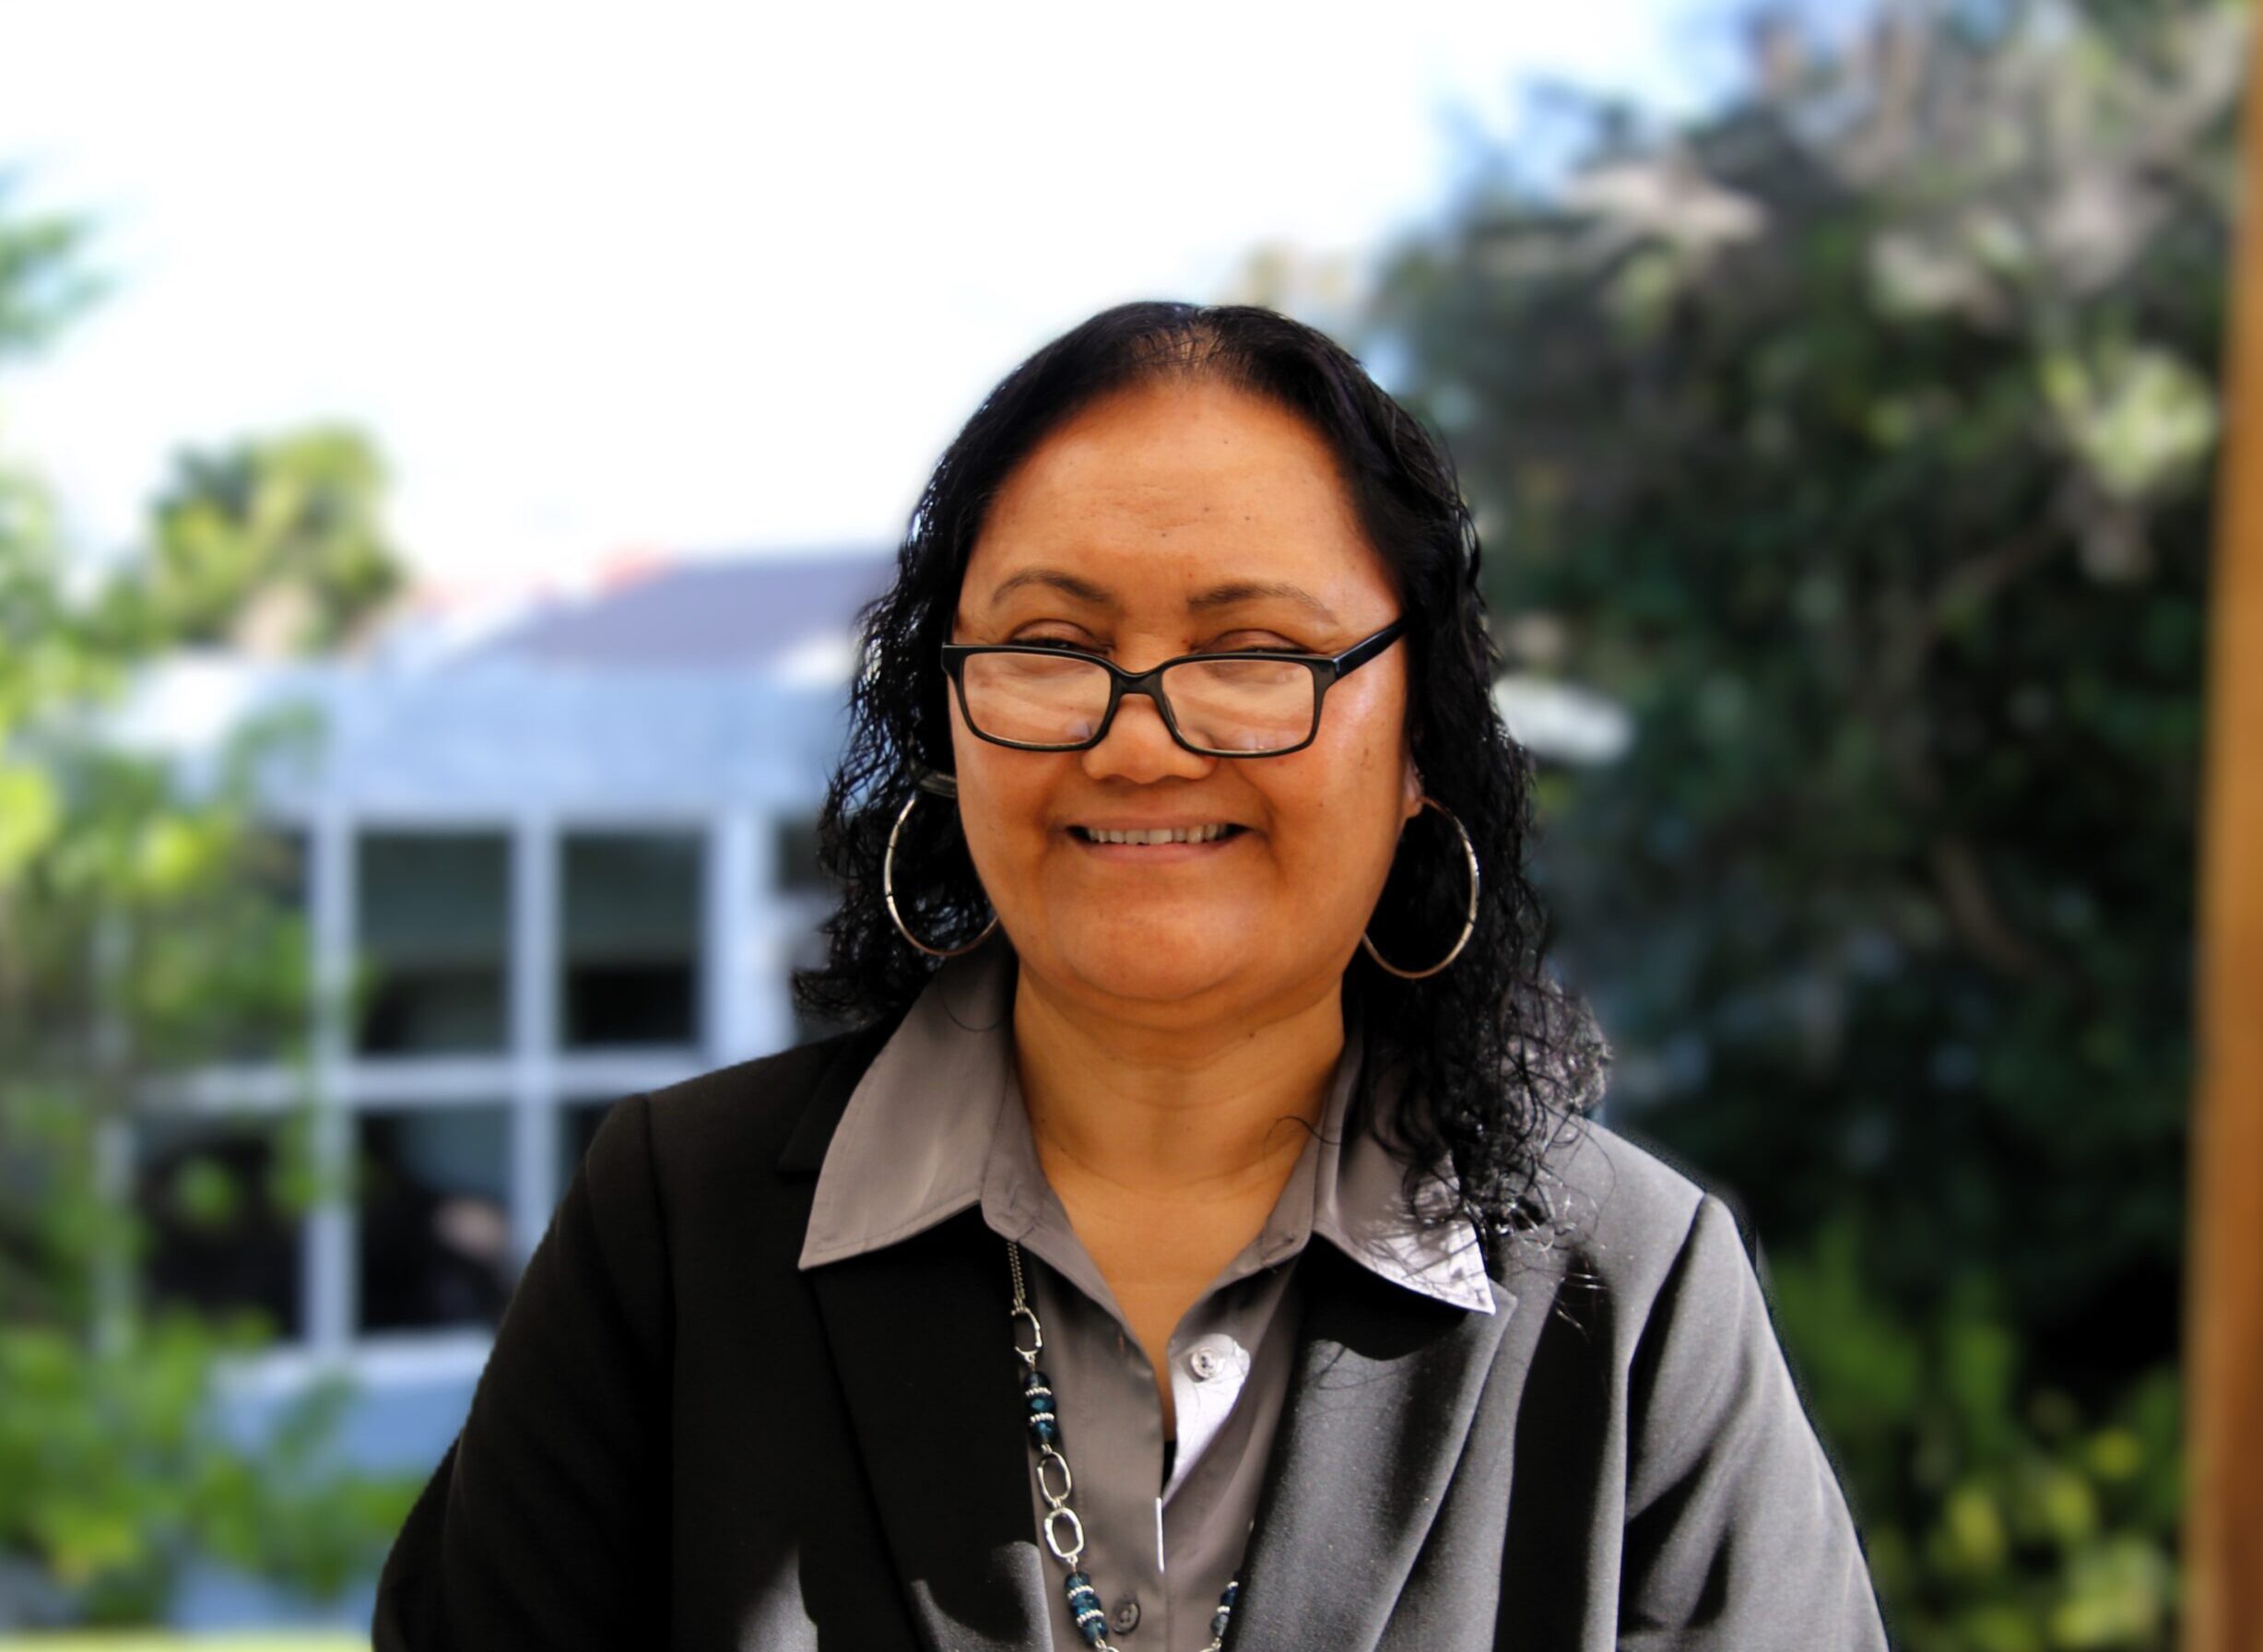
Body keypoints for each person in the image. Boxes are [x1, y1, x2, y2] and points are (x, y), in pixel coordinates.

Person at [371, 301, 1891, 1650]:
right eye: (1048, 642)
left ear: (1421, 734)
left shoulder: (1628, 1290)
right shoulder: (674, 1232)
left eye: (1253, 650)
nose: (1141, 736)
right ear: (945, 716)